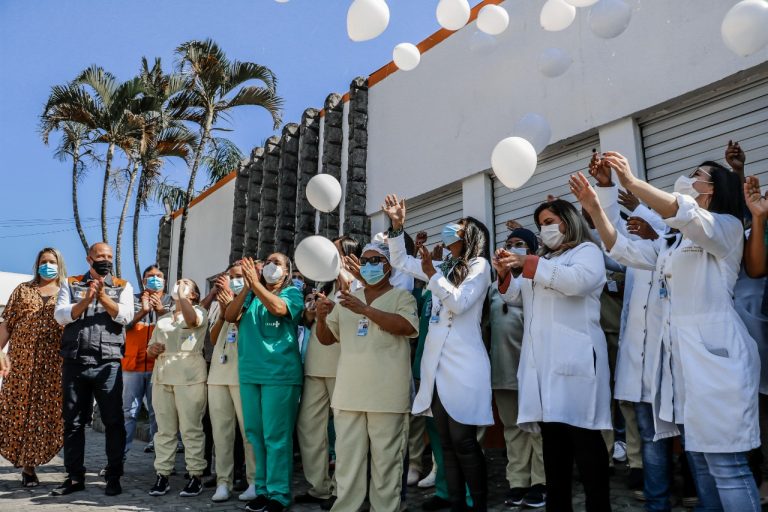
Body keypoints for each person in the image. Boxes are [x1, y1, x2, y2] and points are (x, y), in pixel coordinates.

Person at [571, 153, 761, 511]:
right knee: (702, 462)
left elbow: (683, 212)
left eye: (697, 176)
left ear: (712, 191)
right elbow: (622, 249)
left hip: (717, 362)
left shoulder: (726, 228)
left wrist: (630, 182)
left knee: (727, 466)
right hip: (683, 366)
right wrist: (595, 207)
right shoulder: (671, 243)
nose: (689, 179)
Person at [494, 198, 612, 512]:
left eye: (549, 221)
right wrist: (505, 273)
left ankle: (599, 507)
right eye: (541, 224)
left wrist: (528, 264)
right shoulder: (542, 259)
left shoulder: (586, 252)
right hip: (543, 364)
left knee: (585, 441)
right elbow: (516, 296)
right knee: (554, 447)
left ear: (568, 221)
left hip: (576, 359)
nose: (544, 229)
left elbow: (576, 283)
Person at [382, 194, 493, 511]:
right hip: (436, 365)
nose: (448, 234)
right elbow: (401, 262)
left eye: (456, 230)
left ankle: (479, 505)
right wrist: (397, 227)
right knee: (445, 443)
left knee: (464, 441)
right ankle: (456, 504)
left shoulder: (479, 266)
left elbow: (458, 303)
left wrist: (433, 273)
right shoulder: (444, 265)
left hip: (464, 366)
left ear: (469, 237)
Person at [588, 156, 674, 511]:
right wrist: (604, 190)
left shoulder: (677, 241)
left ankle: (685, 489)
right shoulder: (638, 246)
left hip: (672, 356)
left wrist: (643, 214)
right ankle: (658, 501)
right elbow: (613, 240)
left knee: (684, 434)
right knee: (649, 431)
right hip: (640, 357)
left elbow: (661, 232)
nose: (636, 224)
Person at [315, 240, 419, 512]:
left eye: (376, 261)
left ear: (389, 266)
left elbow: (406, 326)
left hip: (387, 396)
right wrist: (321, 318)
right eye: (366, 260)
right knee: (348, 463)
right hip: (349, 395)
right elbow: (327, 339)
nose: (370, 265)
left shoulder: (402, 297)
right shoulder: (347, 298)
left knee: (386, 464)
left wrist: (365, 311)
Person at [224, 253, 304, 512]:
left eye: (277, 262)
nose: (271, 266)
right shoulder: (249, 295)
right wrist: (248, 285)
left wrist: (256, 285)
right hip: (250, 374)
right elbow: (229, 315)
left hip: (280, 375)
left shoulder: (292, 293)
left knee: (276, 437)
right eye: (267, 262)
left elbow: (279, 309)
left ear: (287, 270)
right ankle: (262, 488)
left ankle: (279, 494)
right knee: (255, 435)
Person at [53, 242, 133, 496]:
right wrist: (86, 299)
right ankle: (74, 476)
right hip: (75, 361)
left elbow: (126, 315)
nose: (106, 260)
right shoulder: (72, 282)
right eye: (100, 256)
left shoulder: (123, 286)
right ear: (89, 259)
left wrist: (103, 298)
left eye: (109, 256)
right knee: (73, 422)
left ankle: (113, 476)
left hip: (107, 363)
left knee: (113, 421)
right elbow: (61, 316)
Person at [295, 235, 361, 510]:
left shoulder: (356, 282)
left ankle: (342, 489)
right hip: (315, 364)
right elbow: (311, 322)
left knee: (345, 431)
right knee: (309, 427)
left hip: (342, 365)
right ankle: (318, 486)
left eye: (333, 249)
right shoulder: (323, 284)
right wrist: (312, 311)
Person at [0, 248, 66, 487]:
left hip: (52, 365)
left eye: (52, 261)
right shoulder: (23, 290)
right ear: (36, 264)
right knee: (15, 410)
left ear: (60, 265)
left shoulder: (66, 293)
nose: (47, 265)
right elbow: (7, 324)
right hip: (21, 362)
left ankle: (37, 465)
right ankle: (27, 466)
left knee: (45, 414)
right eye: (43, 261)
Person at [489, 229, 546, 509]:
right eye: (509, 244)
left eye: (519, 244)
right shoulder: (494, 285)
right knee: (512, 429)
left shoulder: (539, 280)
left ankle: (541, 481)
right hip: (503, 370)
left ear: (533, 249)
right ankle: (518, 481)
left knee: (536, 427)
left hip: (533, 369)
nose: (512, 248)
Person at [146, 277, 209, 498]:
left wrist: (183, 298)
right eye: (178, 282)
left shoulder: (199, 311)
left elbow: (192, 322)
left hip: (190, 377)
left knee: (191, 429)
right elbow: (149, 349)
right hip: (163, 377)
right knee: (164, 430)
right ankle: (162, 474)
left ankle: (195, 475)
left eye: (185, 284)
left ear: (193, 294)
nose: (178, 285)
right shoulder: (163, 319)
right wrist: (152, 350)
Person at [207, 263, 257, 502]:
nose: (234, 281)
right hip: (218, 373)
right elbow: (215, 337)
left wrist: (236, 302)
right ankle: (223, 482)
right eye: (232, 277)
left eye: (239, 277)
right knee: (221, 432)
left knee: (249, 432)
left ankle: (254, 480)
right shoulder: (220, 302)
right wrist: (224, 307)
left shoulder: (255, 300)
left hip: (242, 373)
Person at [122, 265, 171, 457]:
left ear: (165, 281)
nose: (155, 279)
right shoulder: (131, 300)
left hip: (159, 366)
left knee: (158, 413)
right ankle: (120, 456)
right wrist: (142, 311)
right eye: (150, 276)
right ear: (143, 281)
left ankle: (161, 460)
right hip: (132, 366)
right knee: (128, 413)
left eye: (159, 276)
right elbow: (121, 327)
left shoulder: (171, 301)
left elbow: (176, 327)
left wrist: (160, 311)